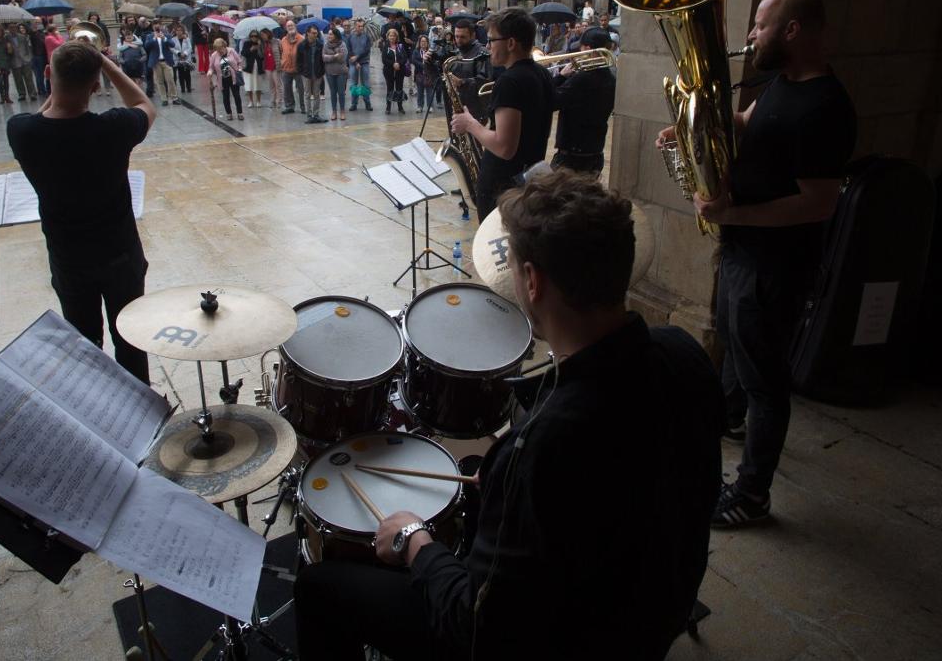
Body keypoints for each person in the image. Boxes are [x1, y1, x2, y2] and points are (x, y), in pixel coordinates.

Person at [294, 169, 724, 661]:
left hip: (573, 641)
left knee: (320, 586)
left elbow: (476, 629)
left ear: (532, 281)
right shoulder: (685, 353)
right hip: (654, 609)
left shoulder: (547, 442)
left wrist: (416, 540)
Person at [657, 0, 857, 527]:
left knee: (766, 383)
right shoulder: (781, 83)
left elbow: (818, 204)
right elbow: (751, 123)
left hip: (775, 266)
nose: (750, 35)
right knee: (735, 350)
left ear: (792, 31)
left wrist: (731, 215)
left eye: (760, 25)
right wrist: (687, 130)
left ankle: (751, 495)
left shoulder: (825, 106)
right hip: (744, 252)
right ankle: (728, 422)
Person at [6, 41, 156, 385]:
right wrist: (105, 62)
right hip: (121, 256)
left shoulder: (22, 132)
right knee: (131, 341)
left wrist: (66, 77)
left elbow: (43, 115)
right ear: (97, 85)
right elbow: (143, 104)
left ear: (47, 75)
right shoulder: (114, 128)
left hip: (69, 260)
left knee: (83, 345)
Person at [450, 8, 555, 220]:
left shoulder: (510, 81)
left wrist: (470, 124)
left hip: (502, 189)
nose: (487, 47)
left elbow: (505, 147)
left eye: (491, 40)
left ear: (510, 43)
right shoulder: (541, 73)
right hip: (526, 180)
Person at [550, 27, 615, 175]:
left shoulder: (581, 79)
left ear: (589, 49)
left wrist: (561, 76)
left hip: (571, 158)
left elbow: (551, 102)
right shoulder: (611, 79)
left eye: (581, 47)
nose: (578, 51)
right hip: (595, 153)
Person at [436, 19, 491, 119]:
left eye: (463, 37)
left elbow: (486, 83)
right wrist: (429, 64)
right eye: (456, 36)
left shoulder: (482, 53)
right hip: (456, 108)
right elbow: (437, 80)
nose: (459, 40)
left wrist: (462, 82)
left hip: (476, 112)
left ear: (473, 36)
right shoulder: (456, 52)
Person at [296, 25, 326, 123]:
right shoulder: (302, 45)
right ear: (308, 33)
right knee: (307, 94)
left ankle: (316, 114)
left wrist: (322, 71)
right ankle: (309, 115)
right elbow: (298, 60)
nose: (315, 35)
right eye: (313, 33)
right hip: (306, 73)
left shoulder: (320, 45)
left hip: (317, 73)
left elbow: (323, 59)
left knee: (317, 94)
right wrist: (302, 72)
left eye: (316, 33)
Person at [208, 37, 243, 120]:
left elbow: (239, 61)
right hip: (222, 79)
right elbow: (211, 67)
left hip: (233, 77)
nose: (219, 50)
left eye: (220, 48)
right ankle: (229, 113)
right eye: (217, 48)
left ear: (224, 45)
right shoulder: (214, 55)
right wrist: (210, 72)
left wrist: (239, 69)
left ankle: (240, 113)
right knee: (225, 97)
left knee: (236, 95)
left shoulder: (231, 51)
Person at [143, 23, 177, 106]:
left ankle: (174, 98)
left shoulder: (167, 35)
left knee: (170, 79)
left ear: (161, 27)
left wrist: (164, 38)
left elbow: (172, 44)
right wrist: (154, 38)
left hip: (166, 61)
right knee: (159, 81)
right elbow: (146, 46)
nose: (157, 28)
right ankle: (164, 99)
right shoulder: (149, 36)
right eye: (155, 26)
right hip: (156, 62)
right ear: (153, 28)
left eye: (158, 26)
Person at [346, 18, 374, 112]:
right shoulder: (350, 37)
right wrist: (356, 62)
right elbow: (349, 51)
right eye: (359, 26)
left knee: (365, 83)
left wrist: (357, 58)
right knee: (354, 84)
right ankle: (354, 104)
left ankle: (367, 103)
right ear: (355, 26)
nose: (361, 28)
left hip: (364, 62)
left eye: (362, 26)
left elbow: (366, 50)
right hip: (353, 63)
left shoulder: (367, 37)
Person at [379, 27, 409, 115]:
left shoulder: (400, 46)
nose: (392, 37)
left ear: (396, 37)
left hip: (400, 70)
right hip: (389, 71)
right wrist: (393, 64)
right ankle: (388, 107)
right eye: (390, 36)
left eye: (394, 36)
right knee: (390, 88)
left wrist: (399, 64)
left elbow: (405, 57)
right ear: (387, 37)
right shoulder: (385, 47)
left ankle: (400, 107)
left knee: (399, 88)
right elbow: (384, 59)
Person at [323, 28, 348, 121]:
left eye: (331, 34)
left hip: (341, 72)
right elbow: (324, 57)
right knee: (333, 93)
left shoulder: (342, 44)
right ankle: (334, 111)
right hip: (329, 72)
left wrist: (331, 57)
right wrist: (334, 56)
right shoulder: (325, 45)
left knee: (341, 92)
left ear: (336, 35)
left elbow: (342, 58)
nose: (329, 36)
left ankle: (342, 111)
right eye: (328, 34)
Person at [279, 20, 304, 114]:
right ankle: (289, 106)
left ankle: (303, 106)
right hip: (286, 68)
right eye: (288, 26)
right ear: (286, 28)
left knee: (301, 89)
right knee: (287, 89)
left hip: (299, 69)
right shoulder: (283, 40)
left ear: (295, 26)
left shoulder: (301, 39)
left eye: (291, 25)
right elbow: (282, 52)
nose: (290, 27)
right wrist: (282, 61)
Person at [10, 23, 39, 102]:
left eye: (14, 28)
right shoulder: (6, 38)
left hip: (25, 60)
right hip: (15, 61)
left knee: (28, 78)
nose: (13, 30)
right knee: (18, 79)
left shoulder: (22, 37)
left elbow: (28, 48)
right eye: (11, 28)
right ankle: (21, 94)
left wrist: (29, 58)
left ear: (16, 29)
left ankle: (32, 93)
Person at [411, 35, 439, 116]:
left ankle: (430, 106)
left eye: (425, 41)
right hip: (419, 74)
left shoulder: (431, 52)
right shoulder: (416, 51)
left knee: (429, 92)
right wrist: (423, 64)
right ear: (419, 43)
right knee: (420, 91)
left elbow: (434, 62)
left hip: (429, 75)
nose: (423, 43)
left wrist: (428, 63)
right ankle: (420, 106)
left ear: (427, 43)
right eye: (422, 41)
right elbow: (413, 60)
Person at [241, 30, 265, 109]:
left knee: (258, 84)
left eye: (255, 36)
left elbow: (262, 56)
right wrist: (251, 49)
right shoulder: (246, 43)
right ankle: (251, 101)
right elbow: (243, 53)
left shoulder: (261, 44)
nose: (254, 37)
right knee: (249, 85)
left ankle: (258, 101)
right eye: (252, 36)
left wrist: (259, 47)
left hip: (258, 67)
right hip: (248, 68)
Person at [29, 19, 50, 96]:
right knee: (39, 74)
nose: (38, 24)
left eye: (39, 22)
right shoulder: (32, 33)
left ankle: (44, 89)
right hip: (37, 56)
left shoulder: (42, 32)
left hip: (44, 55)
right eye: (36, 23)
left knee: (44, 73)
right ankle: (41, 90)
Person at [262, 28, 281, 108]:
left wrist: (281, 62)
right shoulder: (262, 44)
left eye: (263, 34)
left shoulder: (276, 41)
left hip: (276, 65)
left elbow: (281, 51)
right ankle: (272, 100)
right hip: (267, 66)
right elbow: (261, 55)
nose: (262, 36)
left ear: (268, 34)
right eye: (261, 35)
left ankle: (279, 101)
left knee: (278, 84)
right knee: (271, 85)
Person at [173, 25, 193, 95]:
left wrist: (185, 53)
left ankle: (189, 87)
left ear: (183, 31)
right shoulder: (173, 39)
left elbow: (190, 47)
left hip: (186, 58)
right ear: (175, 31)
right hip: (178, 59)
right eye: (177, 30)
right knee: (180, 74)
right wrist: (178, 53)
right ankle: (183, 88)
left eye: (180, 30)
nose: (179, 32)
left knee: (187, 74)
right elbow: (172, 48)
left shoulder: (186, 38)